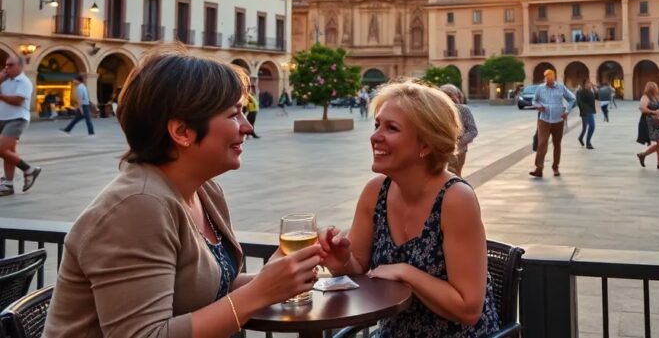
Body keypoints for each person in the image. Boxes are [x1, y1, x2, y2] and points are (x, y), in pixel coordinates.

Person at [44, 49, 325, 337]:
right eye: (233, 114)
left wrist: (277, 276)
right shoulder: (137, 206)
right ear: (181, 131)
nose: (247, 127)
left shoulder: (204, 191)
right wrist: (259, 293)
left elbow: (209, 288)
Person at [318, 80, 500, 336]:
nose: (375, 137)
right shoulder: (375, 192)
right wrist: (341, 261)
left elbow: (468, 309)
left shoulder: (455, 199)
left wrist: (406, 273)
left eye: (391, 128)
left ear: (425, 144)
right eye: (377, 125)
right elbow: (357, 268)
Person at [0, 56, 41, 197]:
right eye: (6, 65)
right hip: (2, 119)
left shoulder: (24, 82)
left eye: (11, 65)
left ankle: (29, 169)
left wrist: (1, 96)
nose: (7, 67)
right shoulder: (4, 80)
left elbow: (17, 101)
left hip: (17, 119)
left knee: (1, 149)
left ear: (20, 66)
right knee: (8, 152)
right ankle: (8, 184)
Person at [530, 69, 576, 178]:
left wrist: (567, 111)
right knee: (542, 143)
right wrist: (538, 106)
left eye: (550, 78)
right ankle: (539, 169)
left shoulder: (561, 87)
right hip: (544, 120)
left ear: (553, 78)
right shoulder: (540, 88)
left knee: (557, 144)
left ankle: (555, 167)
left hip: (558, 120)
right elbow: (534, 100)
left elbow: (572, 99)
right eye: (546, 78)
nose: (548, 81)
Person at [441, 84, 478, 177]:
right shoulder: (436, 110)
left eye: (449, 94)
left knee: (454, 175)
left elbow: (472, 130)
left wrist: (457, 144)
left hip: (458, 151)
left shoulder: (463, 109)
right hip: (439, 150)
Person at [636, 81, 659, 170]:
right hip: (648, 122)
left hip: (656, 122)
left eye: (654, 86)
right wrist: (653, 112)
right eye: (652, 87)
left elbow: (657, 110)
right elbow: (642, 108)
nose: (654, 88)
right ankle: (649, 157)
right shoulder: (645, 97)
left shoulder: (655, 97)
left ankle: (655, 160)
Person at [576, 79, 598, 149]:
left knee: (585, 128)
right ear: (585, 84)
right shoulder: (580, 92)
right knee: (592, 126)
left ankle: (580, 138)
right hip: (586, 112)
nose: (590, 84)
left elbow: (598, 97)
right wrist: (584, 110)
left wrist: (594, 88)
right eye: (588, 83)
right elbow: (579, 102)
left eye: (590, 83)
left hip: (590, 111)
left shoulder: (591, 92)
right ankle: (588, 143)